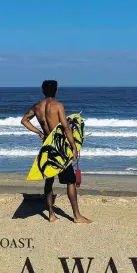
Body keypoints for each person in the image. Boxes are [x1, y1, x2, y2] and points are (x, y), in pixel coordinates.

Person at [21, 80, 91, 224]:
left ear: (43, 91)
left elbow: (24, 120)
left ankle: (51, 215)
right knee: (70, 181)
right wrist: (73, 146)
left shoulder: (37, 106)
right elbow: (66, 128)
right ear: (56, 91)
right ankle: (77, 216)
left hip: (47, 147)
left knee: (49, 181)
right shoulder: (58, 106)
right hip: (59, 147)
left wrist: (39, 132)